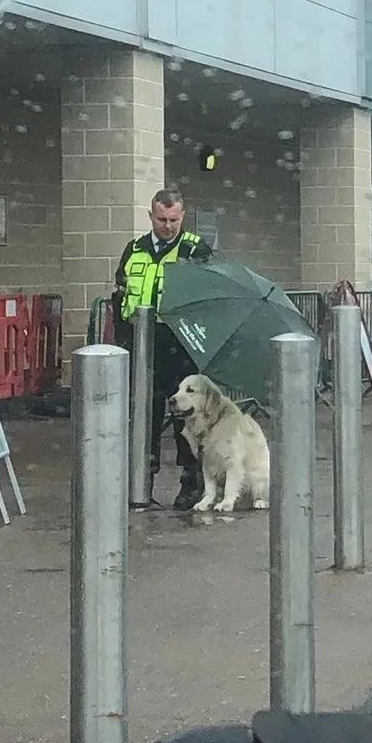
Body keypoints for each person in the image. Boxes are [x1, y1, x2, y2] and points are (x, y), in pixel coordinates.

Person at [112, 188, 212, 509]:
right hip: (143, 344)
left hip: (181, 346)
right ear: (151, 216)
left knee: (187, 416)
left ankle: (191, 482)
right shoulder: (135, 249)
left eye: (173, 220)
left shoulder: (195, 250)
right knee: (144, 414)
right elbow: (121, 294)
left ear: (183, 216)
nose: (167, 226)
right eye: (161, 219)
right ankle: (142, 482)